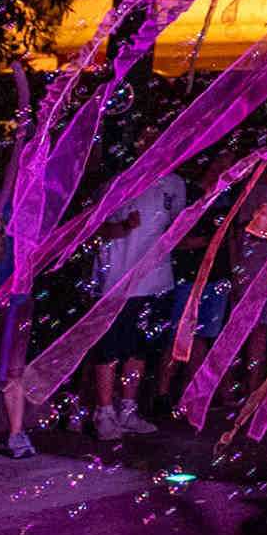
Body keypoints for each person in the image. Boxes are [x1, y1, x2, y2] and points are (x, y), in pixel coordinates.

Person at [85, 164, 187, 441]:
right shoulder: (115, 183)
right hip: (115, 283)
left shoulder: (174, 184)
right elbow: (92, 229)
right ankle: (104, 413)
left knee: (139, 349)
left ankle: (128, 411)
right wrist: (121, 227)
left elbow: (178, 227)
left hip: (156, 281)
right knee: (109, 349)